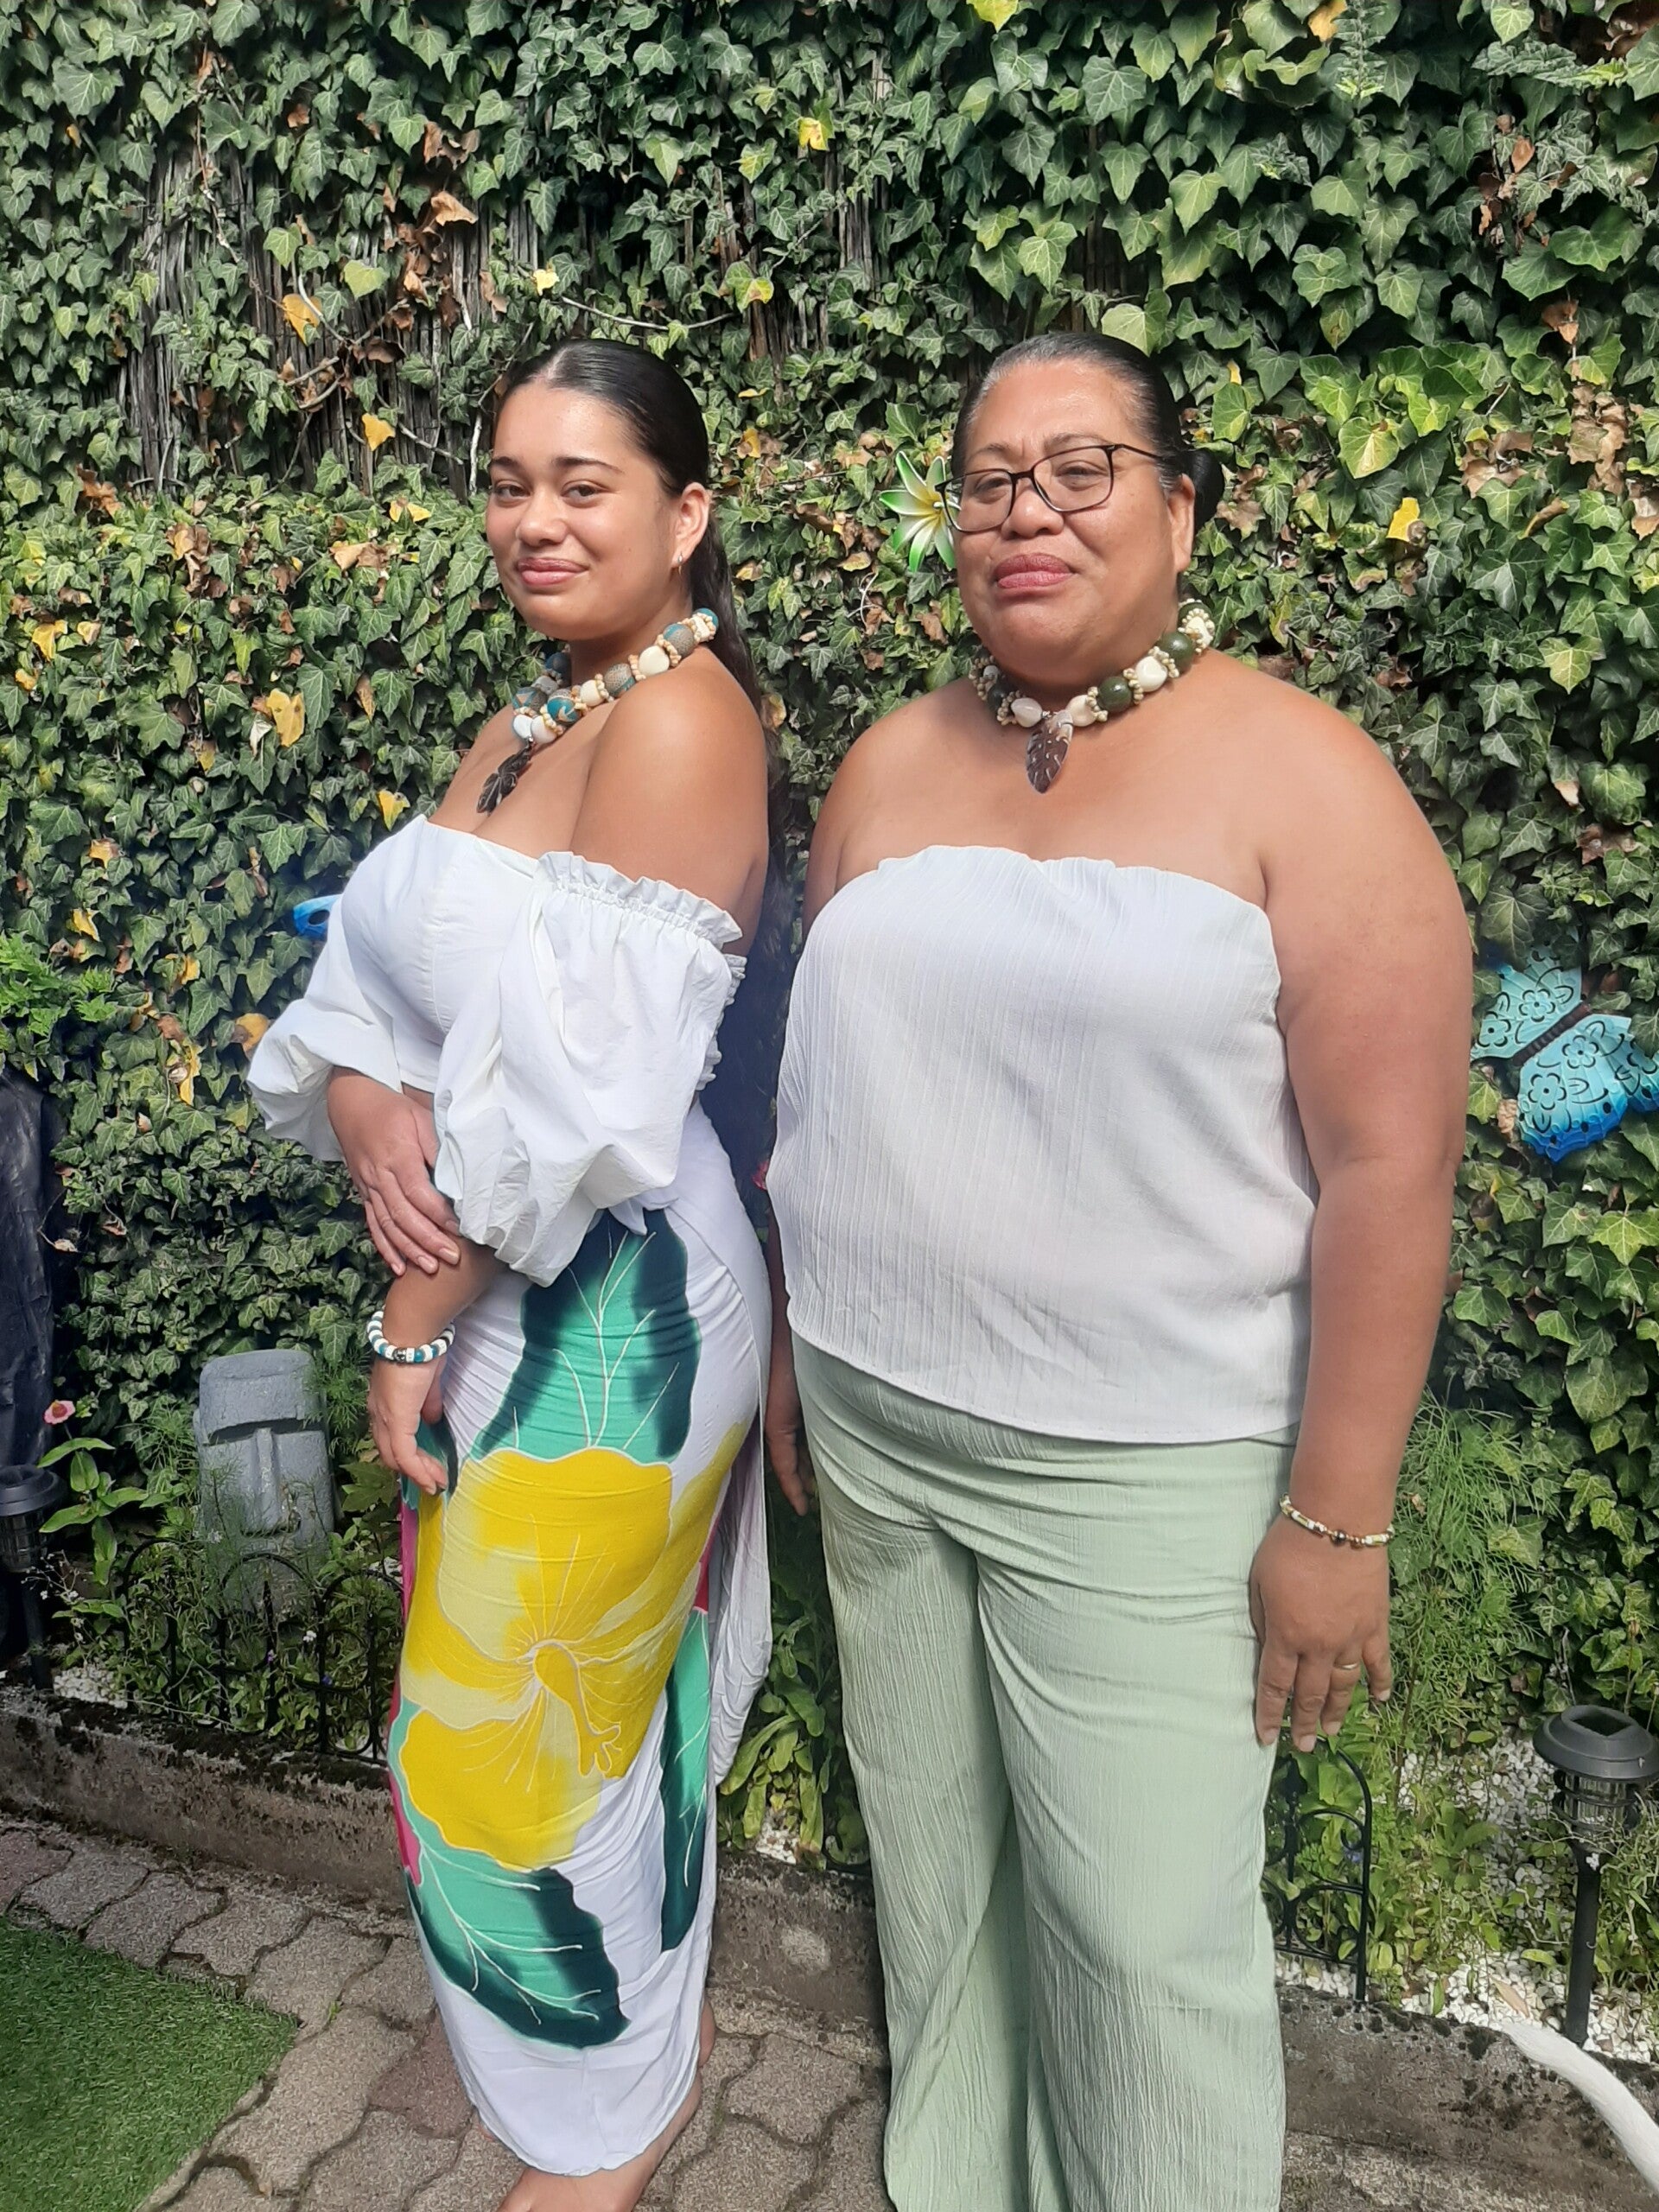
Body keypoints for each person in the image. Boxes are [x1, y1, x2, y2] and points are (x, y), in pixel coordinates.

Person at [765, 332, 1471, 2212]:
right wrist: (794, 1336)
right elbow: (826, 1084)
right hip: (880, 1429)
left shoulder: (1309, 782)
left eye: (1080, 470)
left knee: (1144, 1943)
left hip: (1147, 1468)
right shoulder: (890, 761)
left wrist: (1338, 1515)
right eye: (991, 479)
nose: (1029, 512)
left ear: (1182, 506)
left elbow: (1392, 1168)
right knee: (938, 1877)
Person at [249, 338, 774, 2212]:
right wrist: (360, 1094)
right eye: (504, 480)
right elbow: (373, 978)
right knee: (514, 1739)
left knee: (504, 1763)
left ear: (685, 513)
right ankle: (623, 2080)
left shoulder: (684, 726)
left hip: (609, 1312)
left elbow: (580, 1099)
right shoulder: (530, 718)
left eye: (582, 482)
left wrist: (405, 1320)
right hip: (491, 1286)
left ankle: (602, 2133)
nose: (532, 518)